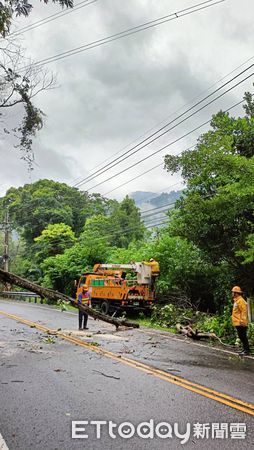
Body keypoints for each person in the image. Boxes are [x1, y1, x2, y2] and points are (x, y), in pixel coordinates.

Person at [231, 286, 250, 356]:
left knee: (243, 336)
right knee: (241, 336)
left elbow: (244, 311)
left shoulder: (241, 301)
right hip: (238, 322)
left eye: (233, 292)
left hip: (241, 323)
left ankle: (247, 350)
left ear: (236, 293)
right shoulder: (237, 300)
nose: (232, 293)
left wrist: (242, 321)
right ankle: (244, 349)